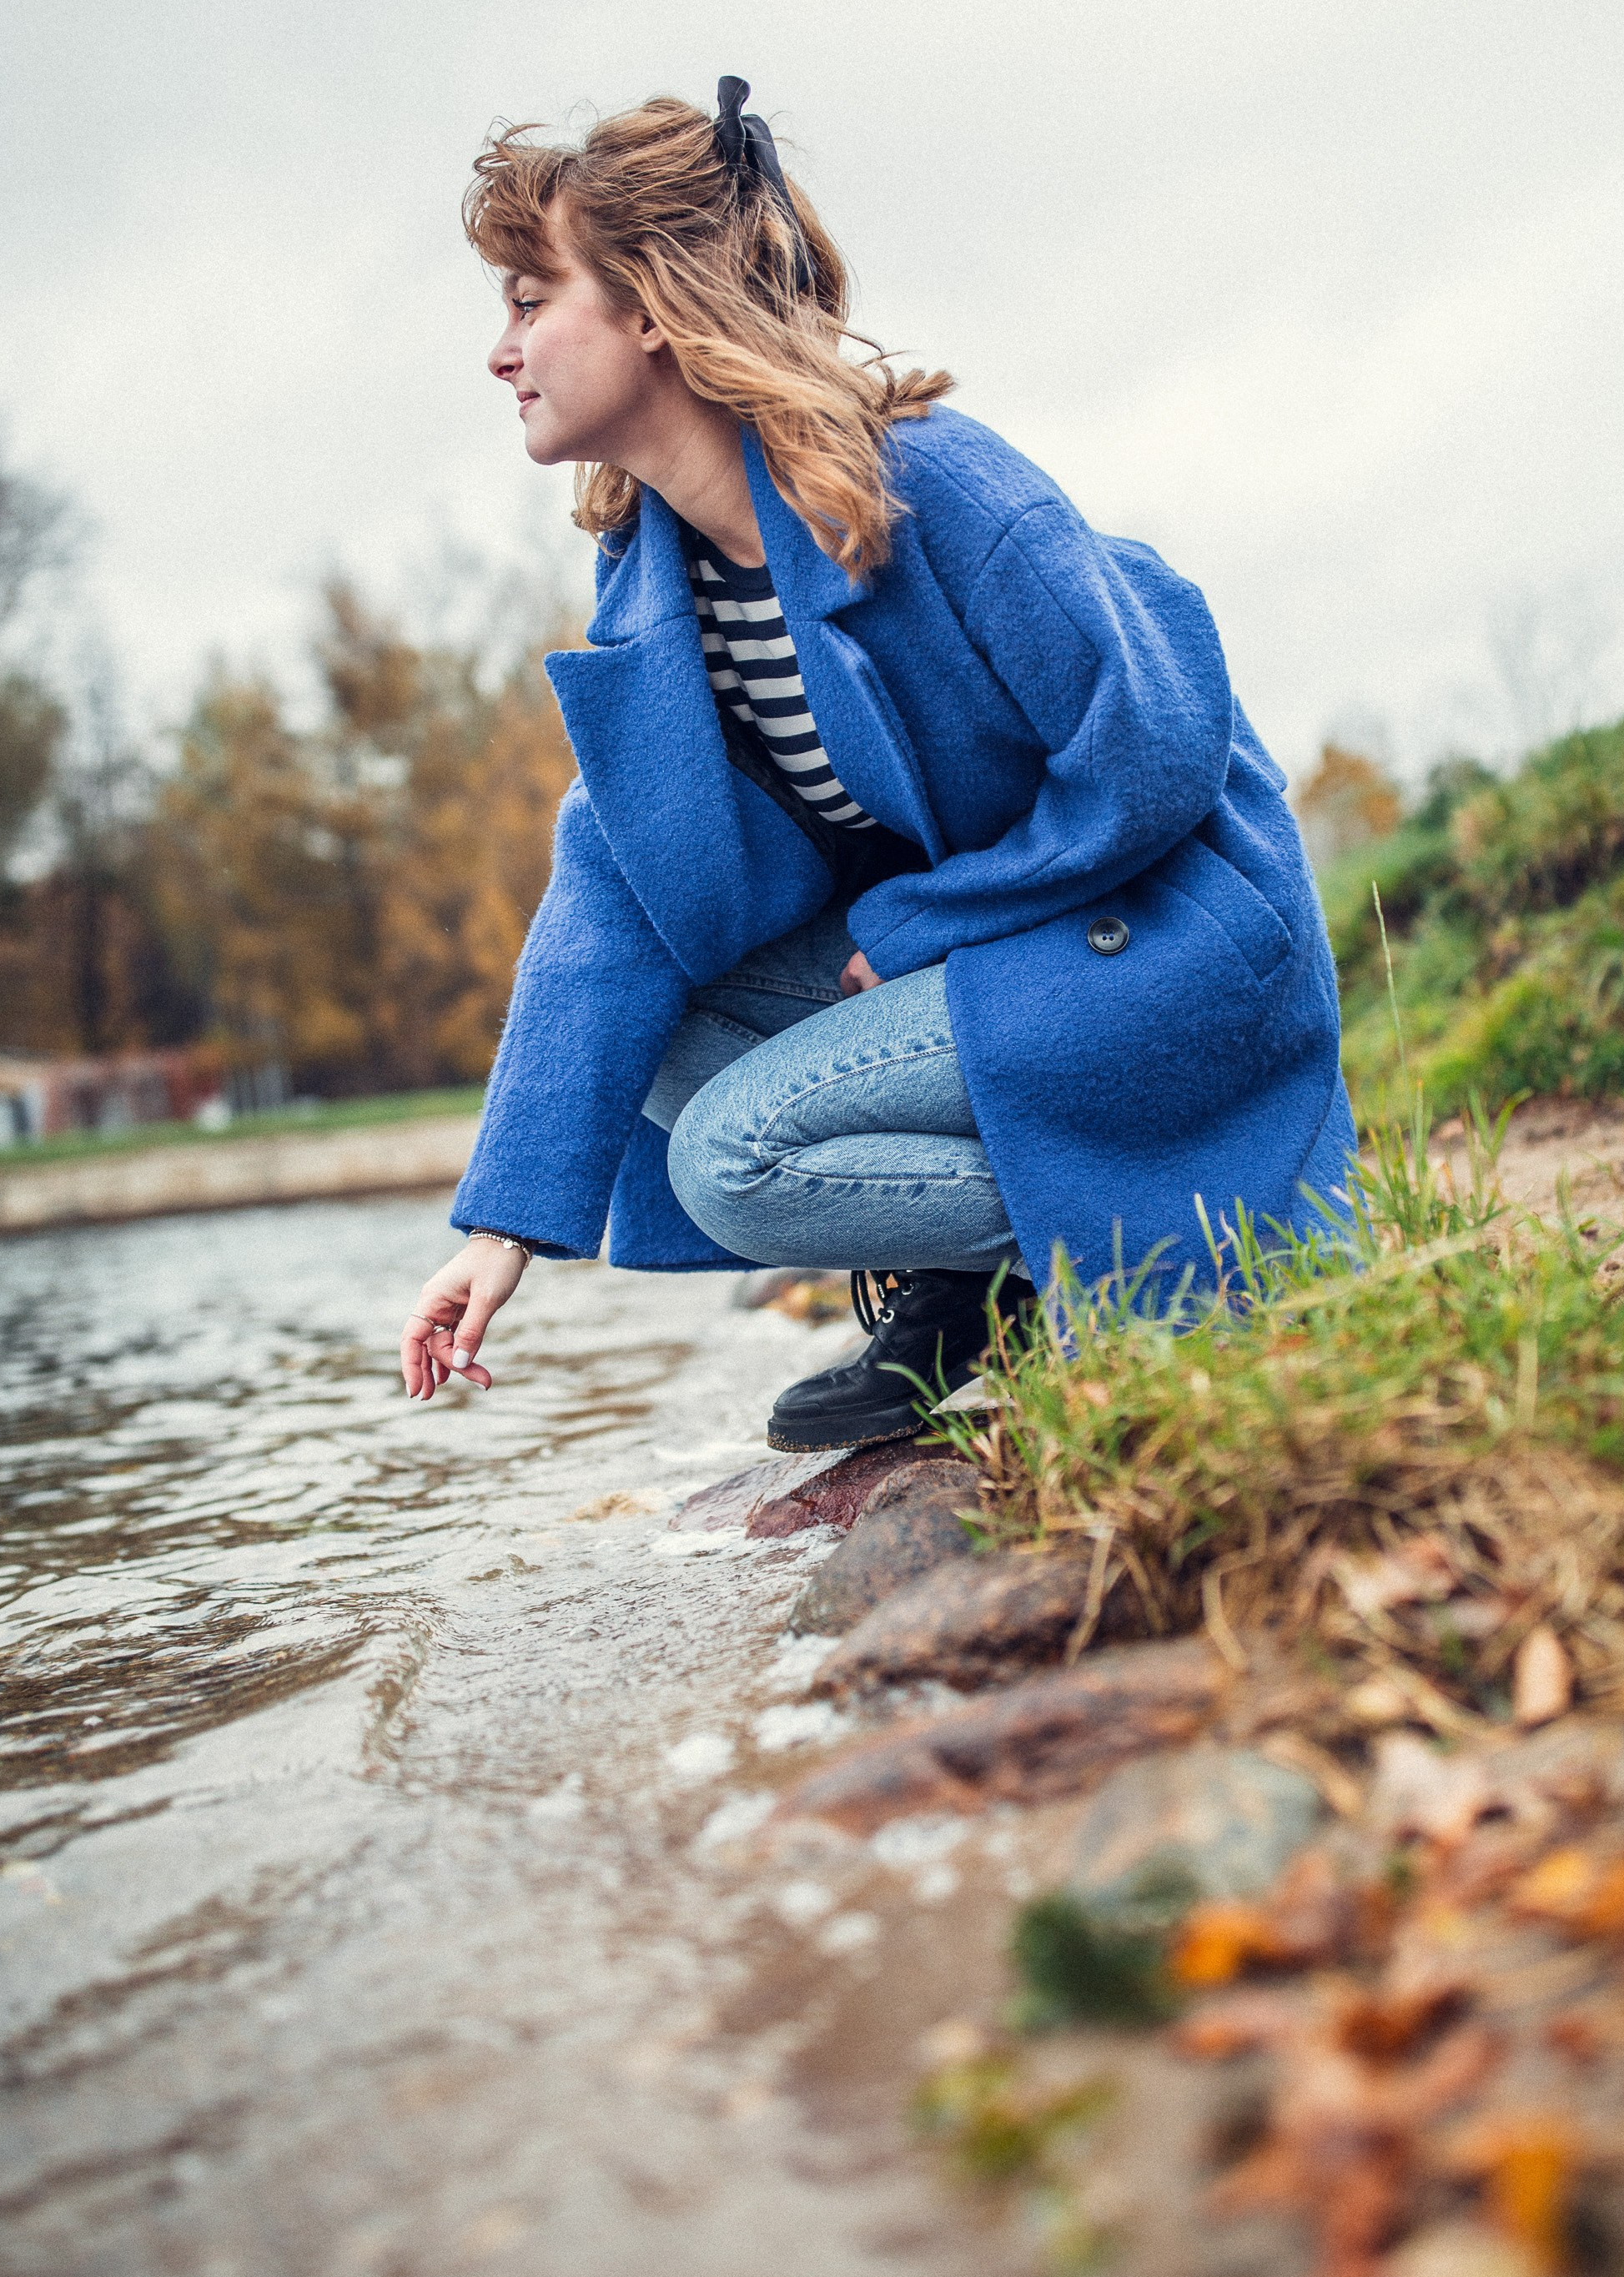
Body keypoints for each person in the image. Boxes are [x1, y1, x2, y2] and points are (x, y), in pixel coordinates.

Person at [400, 80, 1356, 1451]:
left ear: (654, 307)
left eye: (528, 299)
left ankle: (1186, 1234)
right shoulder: (655, 582)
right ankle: (983, 1286)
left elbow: (1153, 747)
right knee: (657, 1042)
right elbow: (607, 908)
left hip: (1166, 934)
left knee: (733, 1159)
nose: (501, 350)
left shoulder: (935, 486)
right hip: (1017, 955)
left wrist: (925, 922)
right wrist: (499, 1235)